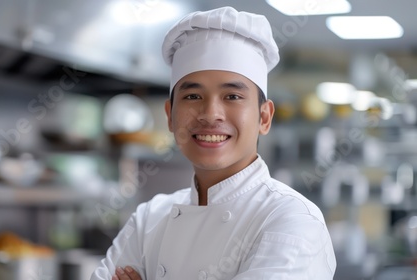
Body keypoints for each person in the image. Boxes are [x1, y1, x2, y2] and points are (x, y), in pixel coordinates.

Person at [91, 6, 336, 280]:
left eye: (232, 96)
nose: (210, 114)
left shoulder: (291, 220)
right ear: (170, 116)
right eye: (193, 97)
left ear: (264, 117)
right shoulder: (150, 217)